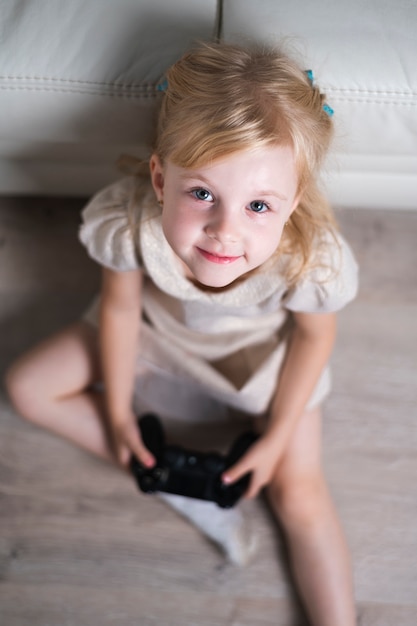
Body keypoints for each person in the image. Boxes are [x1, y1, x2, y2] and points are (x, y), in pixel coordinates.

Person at [5, 41, 358, 625]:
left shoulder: (310, 261)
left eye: (259, 206)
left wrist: (276, 438)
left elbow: (314, 341)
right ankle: (188, 494)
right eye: (202, 194)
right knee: (26, 387)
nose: (225, 232)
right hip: (156, 333)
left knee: (299, 493)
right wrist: (118, 413)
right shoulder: (127, 221)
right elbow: (119, 310)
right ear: (160, 178)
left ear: (293, 201)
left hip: (256, 356)